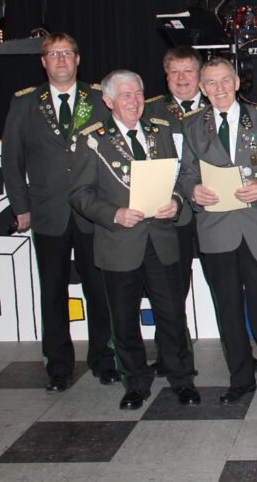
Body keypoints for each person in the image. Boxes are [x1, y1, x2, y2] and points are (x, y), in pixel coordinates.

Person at [68, 70, 199, 410]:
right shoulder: (92, 140)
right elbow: (80, 194)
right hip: (119, 243)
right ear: (108, 101)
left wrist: (177, 203)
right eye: (125, 95)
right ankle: (136, 382)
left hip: (161, 240)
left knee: (172, 315)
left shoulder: (161, 131)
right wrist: (114, 214)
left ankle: (182, 379)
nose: (134, 101)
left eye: (138, 93)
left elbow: (179, 179)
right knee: (124, 320)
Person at [1, 32, 118, 392]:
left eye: (67, 53)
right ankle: (58, 366)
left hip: (93, 212)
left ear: (78, 59)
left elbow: (115, 149)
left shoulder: (99, 98)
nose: (61, 60)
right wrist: (21, 207)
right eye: (53, 54)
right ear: (43, 62)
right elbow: (11, 160)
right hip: (47, 213)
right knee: (52, 292)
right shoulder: (25, 103)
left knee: (99, 291)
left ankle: (104, 359)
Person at [177, 58, 257, 408]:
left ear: (236, 83)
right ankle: (240, 380)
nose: (219, 89)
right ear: (202, 89)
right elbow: (185, 173)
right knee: (228, 310)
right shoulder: (191, 125)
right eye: (211, 83)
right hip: (216, 230)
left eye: (224, 81)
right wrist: (192, 190)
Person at [145, 45, 207, 375]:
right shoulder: (150, 110)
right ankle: (171, 354)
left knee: (226, 288)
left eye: (188, 71)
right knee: (171, 289)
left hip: (215, 210)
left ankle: (239, 352)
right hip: (172, 214)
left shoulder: (218, 105)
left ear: (200, 75)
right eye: (174, 72)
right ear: (166, 76)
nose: (182, 78)